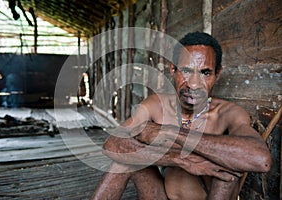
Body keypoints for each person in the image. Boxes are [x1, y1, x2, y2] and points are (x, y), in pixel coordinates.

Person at [91, 32, 271, 200]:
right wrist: (178, 159)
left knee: (229, 167)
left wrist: (170, 133)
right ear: (173, 70)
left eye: (205, 73)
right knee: (124, 161)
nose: (193, 84)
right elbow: (112, 145)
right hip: (161, 194)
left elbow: (260, 160)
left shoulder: (228, 113)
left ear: (217, 74)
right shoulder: (157, 105)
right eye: (186, 71)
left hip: (208, 195)